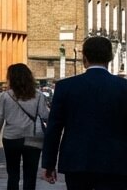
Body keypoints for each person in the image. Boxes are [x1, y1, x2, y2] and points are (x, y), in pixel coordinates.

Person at [40, 36, 127, 189]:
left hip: (76, 161)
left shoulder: (65, 87)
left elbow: (53, 129)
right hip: (116, 161)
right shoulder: (123, 87)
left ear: (84, 58)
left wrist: (49, 163)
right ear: (110, 58)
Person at [0, 62, 50, 190]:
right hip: (33, 138)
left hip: (11, 138)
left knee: (13, 174)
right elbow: (45, 116)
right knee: (30, 175)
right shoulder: (38, 95)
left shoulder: (5, 97)